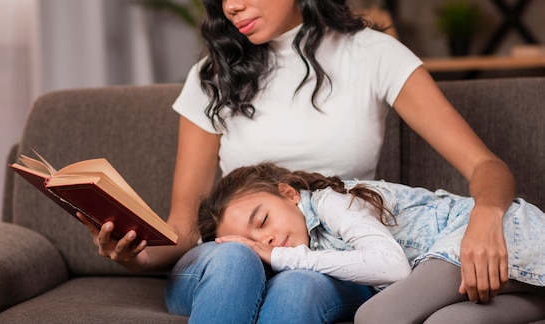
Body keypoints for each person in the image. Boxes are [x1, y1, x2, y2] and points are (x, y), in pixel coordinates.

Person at [77, 0, 518, 322]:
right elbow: (185, 228)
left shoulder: (373, 55)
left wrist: (487, 215)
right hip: (225, 262)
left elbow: (485, 166)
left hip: (327, 258)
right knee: (237, 260)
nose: (232, 7)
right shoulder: (212, 76)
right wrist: (136, 257)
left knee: (298, 285)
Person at [197, 163, 545, 323]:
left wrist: (288, 258)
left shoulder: (331, 201)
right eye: (252, 242)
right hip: (480, 270)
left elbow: (392, 267)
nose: (266, 240)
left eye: (262, 221)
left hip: (488, 232)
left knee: (377, 317)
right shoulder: (309, 242)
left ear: (288, 194)